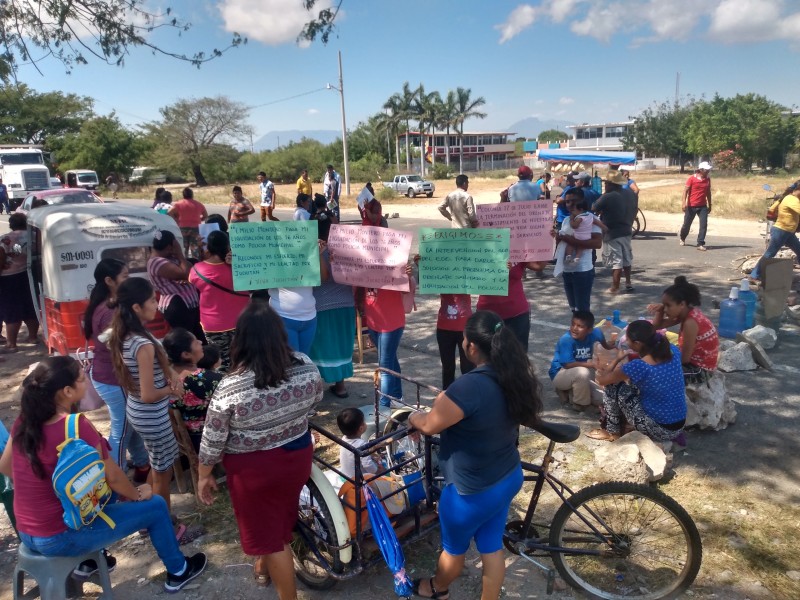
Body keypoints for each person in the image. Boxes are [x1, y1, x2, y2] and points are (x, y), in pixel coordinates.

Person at [0, 356, 207, 593]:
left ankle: (89, 562)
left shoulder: (24, 421)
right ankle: (179, 571)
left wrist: (49, 491)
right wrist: (139, 493)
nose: (86, 382)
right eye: (81, 379)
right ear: (67, 391)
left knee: (101, 494)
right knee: (156, 506)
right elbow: (114, 477)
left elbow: (6, 467)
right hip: (62, 535)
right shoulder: (75, 425)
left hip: (28, 532)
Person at [407, 310, 542, 600]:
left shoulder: (470, 385)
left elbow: (430, 424)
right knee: (491, 547)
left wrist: (414, 417)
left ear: (470, 347)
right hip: (507, 476)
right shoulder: (513, 375)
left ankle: (436, 588)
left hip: (471, 492)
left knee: (453, 552)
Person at [196, 301, 323, 596]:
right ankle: (263, 567)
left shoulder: (231, 386)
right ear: (280, 334)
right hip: (297, 458)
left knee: (269, 539)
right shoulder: (306, 365)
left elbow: (213, 438)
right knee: (281, 512)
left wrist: (204, 475)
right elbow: (314, 404)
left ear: (240, 339)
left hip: (255, 472)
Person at [108, 278, 183, 524]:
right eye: (152, 300)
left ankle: (144, 513)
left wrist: (171, 376)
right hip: (152, 415)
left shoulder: (129, 334)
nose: (157, 304)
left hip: (141, 412)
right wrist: (170, 390)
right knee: (163, 474)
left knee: (157, 465)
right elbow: (149, 393)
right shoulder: (142, 344)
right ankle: (165, 522)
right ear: (137, 307)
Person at [83, 258, 150, 479]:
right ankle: (116, 476)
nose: (128, 280)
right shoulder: (111, 311)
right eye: (125, 276)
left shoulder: (104, 304)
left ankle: (142, 464)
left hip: (109, 376)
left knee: (129, 426)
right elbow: (122, 348)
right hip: (114, 379)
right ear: (109, 281)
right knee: (121, 431)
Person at [589, 320, 686, 443]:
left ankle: (612, 432)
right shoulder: (673, 350)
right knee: (635, 384)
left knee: (613, 386)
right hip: (678, 425)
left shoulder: (640, 366)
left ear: (637, 343)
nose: (626, 342)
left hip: (660, 430)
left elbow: (602, 380)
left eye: (627, 339)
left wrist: (617, 359)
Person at [189, 231, 250, 371]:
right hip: (242, 321)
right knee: (244, 360)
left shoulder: (197, 270)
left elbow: (192, 281)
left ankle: (225, 389)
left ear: (208, 248)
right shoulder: (240, 269)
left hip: (213, 324)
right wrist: (237, 263)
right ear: (228, 247)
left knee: (222, 362)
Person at [163, 328, 223, 452]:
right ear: (186, 354)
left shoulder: (164, 376)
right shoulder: (208, 379)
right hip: (207, 439)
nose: (201, 342)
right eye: (196, 342)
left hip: (179, 438)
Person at [648, 276, 720, 378]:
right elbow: (655, 327)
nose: (665, 309)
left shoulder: (690, 323)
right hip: (692, 363)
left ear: (682, 304)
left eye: (668, 305)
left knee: (655, 374)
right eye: (664, 305)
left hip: (700, 370)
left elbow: (684, 359)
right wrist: (660, 311)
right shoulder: (686, 313)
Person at [308, 243, 354, 398]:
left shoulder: (309, 247)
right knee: (341, 346)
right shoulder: (347, 245)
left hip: (321, 305)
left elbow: (321, 277)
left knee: (320, 348)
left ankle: (317, 388)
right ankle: (341, 386)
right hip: (346, 304)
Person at [147, 229, 205, 343]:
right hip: (178, 306)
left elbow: (193, 269)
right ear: (170, 246)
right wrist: (180, 254)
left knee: (199, 340)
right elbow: (186, 274)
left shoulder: (169, 259)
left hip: (188, 305)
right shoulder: (156, 262)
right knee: (187, 342)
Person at [476, 260, 545, 352]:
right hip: (487, 314)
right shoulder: (480, 249)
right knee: (487, 355)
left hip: (517, 314)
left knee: (518, 355)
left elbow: (538, 266)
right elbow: (470, 275)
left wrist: (549, 248)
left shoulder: (518, 250)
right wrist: (496, 269)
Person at [548, 310, 611, 412]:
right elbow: (567, 364)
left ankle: (569, 392)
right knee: (582, 372)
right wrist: (591, 364)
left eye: (580, 326)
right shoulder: (566, 340)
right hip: (561, 373)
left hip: (580, 375)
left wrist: (614, 346)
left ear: (589, 330)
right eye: (573, 324)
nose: (575, 328)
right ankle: (580, 404)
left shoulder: (596, 333)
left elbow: (607, 347)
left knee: (602, 399)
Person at [553, 188, 603, 312]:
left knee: (582, 310)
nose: (569, 205)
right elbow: (561, 243)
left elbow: (597, 243)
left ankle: (585, 330)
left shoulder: (590, 218)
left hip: (582, 270)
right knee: (573, 308)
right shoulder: (566, 220)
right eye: (567, 202)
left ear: (581, 201)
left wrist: (569, 239)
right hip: (567, 270)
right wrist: (556, 237)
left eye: (573, 201)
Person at [593, 170, 638, 294]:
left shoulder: (608, 196)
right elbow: (635, 209)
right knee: (626, 258)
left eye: (606, 183)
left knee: (616, 261)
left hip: (612, 232)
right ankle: (628, 282)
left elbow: (594, 208)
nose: (605, 185)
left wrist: (603, 196)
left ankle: (615, 287)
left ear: (611, 184)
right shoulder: (630, 193)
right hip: (627, 229)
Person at [0, 213, 39, 352]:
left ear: (11, 224)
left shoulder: (6, 239)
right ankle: (33, 337)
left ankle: (11, 344)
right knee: (30, 307)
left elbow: (1, 259)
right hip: (30, 276)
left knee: (11, 311)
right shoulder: (35, 236)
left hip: (9, 278)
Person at [749, 180, 800, 282]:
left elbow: (772, 209)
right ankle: (754, 275)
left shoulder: (790, 198)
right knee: (770, 254)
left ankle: (755, 275)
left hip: (788, 232)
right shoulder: (791, 199)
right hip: (781, 231)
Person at [336, 408, 381, 480]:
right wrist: (379, 471)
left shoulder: (344, 438)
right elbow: (368, 465)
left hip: (346, 476)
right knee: (386, 471)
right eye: (364, 421)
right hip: (357, 480)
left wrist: (372, 456)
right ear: (361, 428)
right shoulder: (361, 445)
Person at [563, 195, 606, 264]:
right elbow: (599, 223)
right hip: (586, 237)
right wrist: (605, 228)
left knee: (570, 245)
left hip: (577, 236)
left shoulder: (580, 217)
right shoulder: (591, 216)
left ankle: (568, 255)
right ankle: (577, 258)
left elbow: (575, 226)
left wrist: (571, 220)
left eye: (574, 210)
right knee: (581, 248)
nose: (572, 211)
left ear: (580, 209)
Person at [680, 161, 713, 251]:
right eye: (706, 170)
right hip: (691, 205)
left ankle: (700, 243)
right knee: (686, 225)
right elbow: (685, 191)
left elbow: (708, 192)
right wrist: (684, 203)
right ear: (700, 170)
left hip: (702, 206)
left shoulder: (707, 179)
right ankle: (682, 237)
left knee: (703, 224)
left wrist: (710, 204)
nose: (708, 172)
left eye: (708, 170)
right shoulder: (692, 179)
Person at [168, 187, 207, 261]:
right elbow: (205, 216)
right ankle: (196, 263)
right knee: (195, 248)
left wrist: (176, 220)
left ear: (183, 195)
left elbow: (169, 212)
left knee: (184, 247)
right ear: (192, 195)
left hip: (183, 228)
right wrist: (199, 219)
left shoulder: (178, 204)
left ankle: (184, 263)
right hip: (195, 228)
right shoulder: (198, 204)